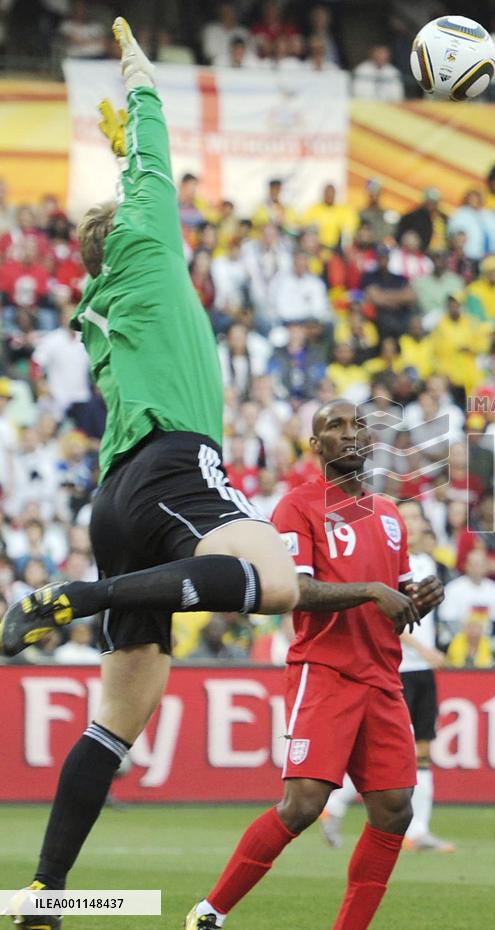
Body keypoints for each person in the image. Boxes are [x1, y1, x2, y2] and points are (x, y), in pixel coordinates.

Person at [3, 23, 299, 925]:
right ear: (133, 233)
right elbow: (156, 148)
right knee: (278, 579)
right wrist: (136, 86)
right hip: (175, 465)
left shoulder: (102, 306)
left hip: (115, 498)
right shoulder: (150, 250)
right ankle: (78, 600)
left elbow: (134, 208)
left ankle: (47, 896)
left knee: (115, 718)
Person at [186, 399, 444, 930]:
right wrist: (375, 591)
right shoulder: (297, 507)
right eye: (336, 426)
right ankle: (210, 913)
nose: (351, 435)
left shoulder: (389, 515)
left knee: (396, 809)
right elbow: (298, 592)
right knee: (303, 804)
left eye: (359, 426)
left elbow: (392, 608)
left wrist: (417, 598)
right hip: (324, 670)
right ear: (316, 445)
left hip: (383, 676)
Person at [322, 500, 455, 853]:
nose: (413, 522)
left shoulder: (427, 564)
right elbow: (383, 616)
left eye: (418, 516)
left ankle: (419, 831)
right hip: (397, 668)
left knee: (423, 749)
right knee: (393, 754)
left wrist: (432, 650)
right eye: (407, 516)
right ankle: (333, 806)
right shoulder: (385, 562)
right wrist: (424, 649)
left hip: (424, 671)